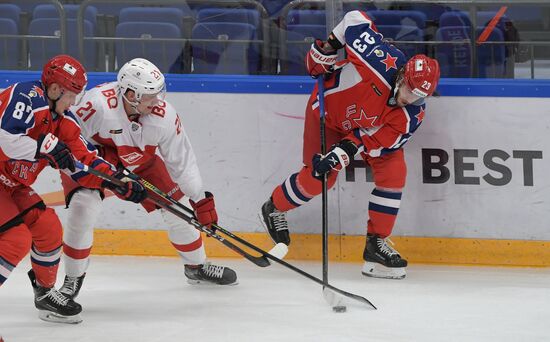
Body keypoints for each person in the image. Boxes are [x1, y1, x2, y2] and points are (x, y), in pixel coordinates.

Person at [260, 11, 440, 279]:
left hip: (357, 130)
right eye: (409, 91)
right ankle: (274, 207)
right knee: (320, 178)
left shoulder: (412, 115)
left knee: (394, 172)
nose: (410, 99)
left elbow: (369, 139)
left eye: (418, 96)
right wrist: (329, 48)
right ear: (402, 76)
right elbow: (355, 19)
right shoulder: (379, 61)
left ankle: (375, 243)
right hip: (326, 113)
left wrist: (340, 154)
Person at [59, 58, 237, 301]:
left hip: (140, 160)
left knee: (179, 209)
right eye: (150, 95)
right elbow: (69, 142)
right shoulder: (96, 104)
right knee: (83, 210)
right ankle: (72, 279)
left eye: (158, 93)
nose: (158, 102)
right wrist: (109, 176)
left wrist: (199, 199)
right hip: (95, 160)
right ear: (131, 94)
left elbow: (181, 159)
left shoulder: (163, 115)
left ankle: (196, 267)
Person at [0, 55, 146, 324]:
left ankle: (44, 295)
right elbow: (7, 140)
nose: (74, 103)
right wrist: (44, 146)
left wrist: (117, 182)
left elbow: (84, 163)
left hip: (13, 185)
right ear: (55, 89)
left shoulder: (64, 121)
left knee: (49, 230)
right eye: (71, 95)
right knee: (16, 240)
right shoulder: (26, 95)